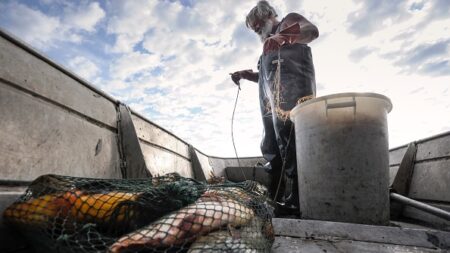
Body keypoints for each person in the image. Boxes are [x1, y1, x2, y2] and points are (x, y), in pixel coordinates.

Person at [230, 1, 319, 213]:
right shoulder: (267, 47)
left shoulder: (288, 22)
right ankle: (273, 199)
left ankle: (297, 202)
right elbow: (265, 76)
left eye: (259, 25)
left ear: (269, 15)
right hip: (270, 107)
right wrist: (245, 75)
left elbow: (312, 31)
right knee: (271, 146)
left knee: (293, 145)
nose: (257, 30)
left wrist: (283, 36)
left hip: (295, 99)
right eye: (254, 29)